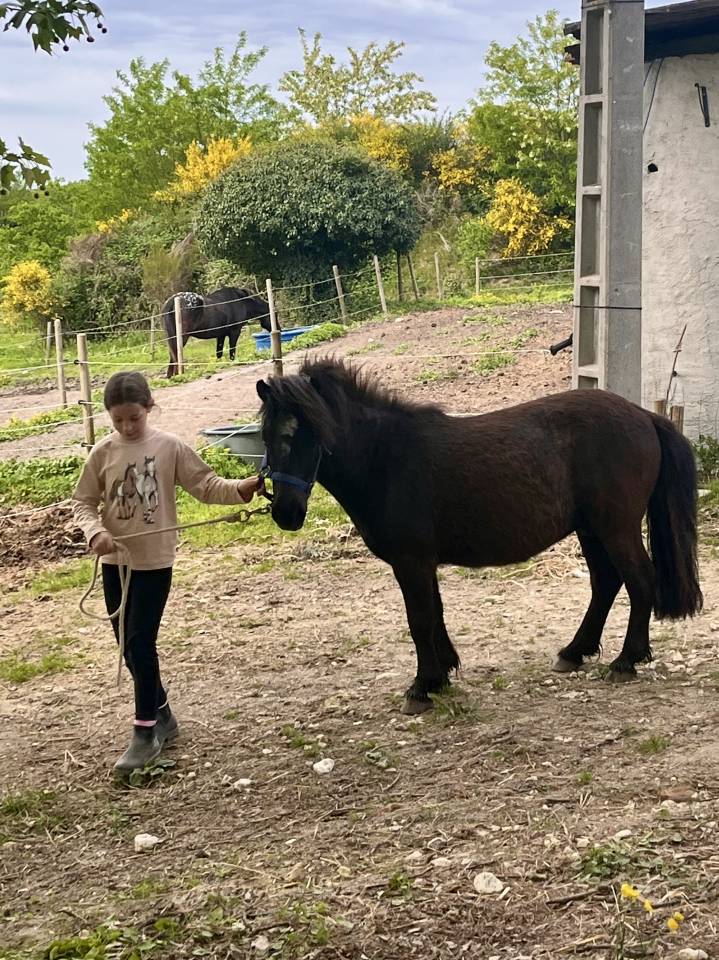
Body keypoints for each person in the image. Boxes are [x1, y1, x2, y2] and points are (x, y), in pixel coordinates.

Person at [72, 370, 264, 773]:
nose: (127, 426)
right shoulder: (103, 453)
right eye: (118, 420)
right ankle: (163, 714)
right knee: (127, 648)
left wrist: (240, 489)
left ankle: (145, 734)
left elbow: (206, 485)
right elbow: (83, 502)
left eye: (134, 418)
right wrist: (95, 532)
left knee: (141, 644)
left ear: (149, 408)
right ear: (109, 416)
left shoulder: (169, 446)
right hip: (115, 564)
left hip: (154, 563)